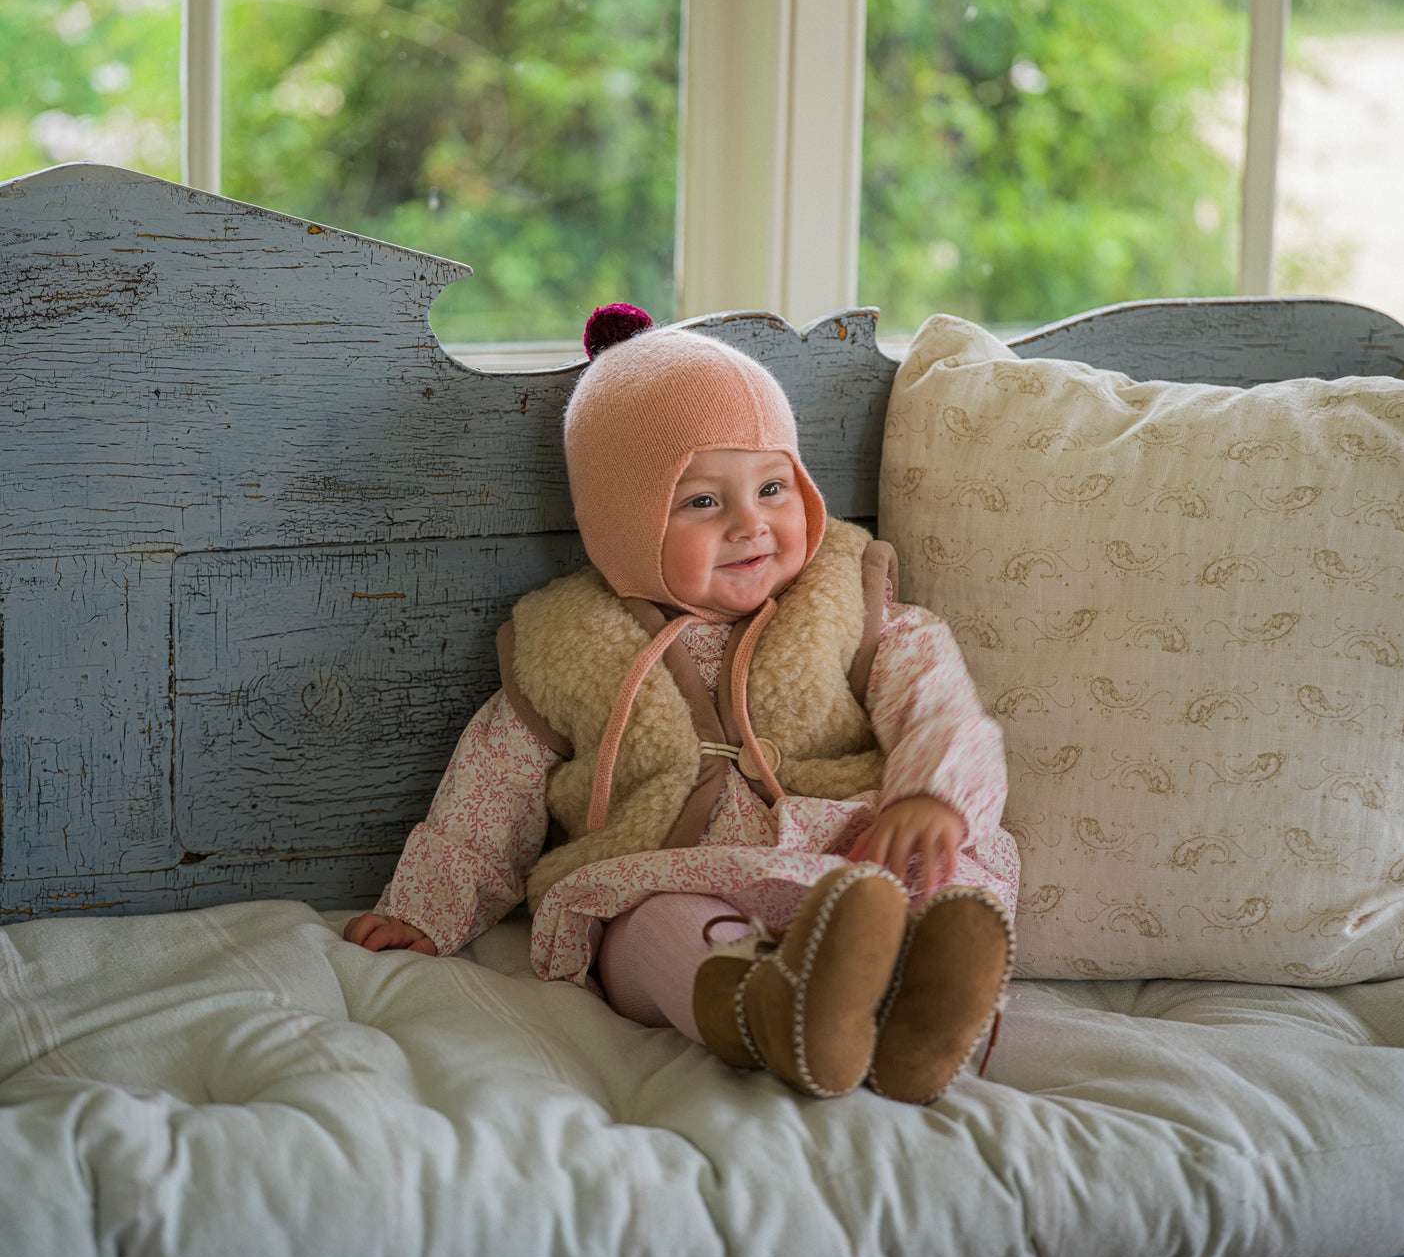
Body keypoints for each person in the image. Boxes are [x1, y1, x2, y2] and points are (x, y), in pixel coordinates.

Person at [345, 305, 1018, 1104]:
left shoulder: (851, 604)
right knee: (652, 930)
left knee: (930, 879)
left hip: (843, 853)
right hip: (666, 871)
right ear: (625, 526)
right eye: (702, 502)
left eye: (772, 487)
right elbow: (491, 791)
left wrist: (929, 797)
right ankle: (764, 1010)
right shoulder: (568, 645)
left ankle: (928, 1021)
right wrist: (428, 907)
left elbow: (936, 704)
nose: (751, 524)